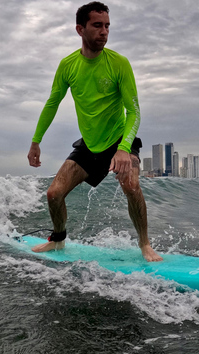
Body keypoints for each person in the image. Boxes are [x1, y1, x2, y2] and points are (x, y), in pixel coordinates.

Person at [27, 2, 162, 262]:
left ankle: (145, 244)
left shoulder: (119, 63)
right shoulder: (68, 65)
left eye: (107, 26)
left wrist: (124, 149)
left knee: (131, 185)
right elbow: (52, 103)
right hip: (89, 145)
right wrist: (36, 141)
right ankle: (58, 240)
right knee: (54, 193)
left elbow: (134, 111)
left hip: (120, 139)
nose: (104, 31)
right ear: (80, 29)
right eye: (97, 25)